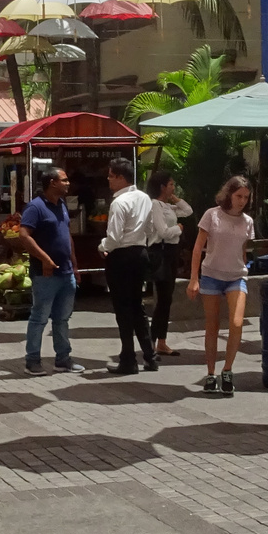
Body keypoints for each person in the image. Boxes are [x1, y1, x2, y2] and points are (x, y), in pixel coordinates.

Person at [189, 175, 255, 395]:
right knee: (212, 326)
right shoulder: (212, 215)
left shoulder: (247, 221)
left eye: (246, 197)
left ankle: (227, 369)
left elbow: (243, 250)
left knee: (237, 323)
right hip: (211, 276)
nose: (242, 201)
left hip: (236, 276)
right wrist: (194, 279)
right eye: (238, 196)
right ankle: (210, 373)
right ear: (229, 194)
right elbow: (198, 247)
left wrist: (243, 267)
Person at [17, 165, 81, 376]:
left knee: (62, 318)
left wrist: (74, 264)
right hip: (45, 275)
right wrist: (44, 259)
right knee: (40, 317)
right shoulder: (35, 207)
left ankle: (63, 359)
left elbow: (67, 235)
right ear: (52, 183)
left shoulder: (61, 204)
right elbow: (24, 235)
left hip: (66, 273)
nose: (67, 183)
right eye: (64, 180)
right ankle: (32, 360)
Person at [98, 157, 157, 375]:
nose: (109, 180)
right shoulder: (144, 198)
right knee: (136, 305)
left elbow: (113, 238)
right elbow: (150, 229)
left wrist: (101, 246)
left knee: (123, 309)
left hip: (121, 256)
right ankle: (149, 355)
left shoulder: (119, 203)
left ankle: (128, 359)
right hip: (140, 253)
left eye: (111, 176)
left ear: (121, 178)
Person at [148, 170, 192, 359]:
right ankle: (150, 341)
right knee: (163, 298)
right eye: (171, 184)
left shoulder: (167, 205)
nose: (173, 187)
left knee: (167, 299)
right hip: (162, 252)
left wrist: (173, 197)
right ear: (162, 186)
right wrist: (179, 229)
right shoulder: (154, 205)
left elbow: (188, 211)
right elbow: (164, 231)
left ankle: (162, 342)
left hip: (172, 253)